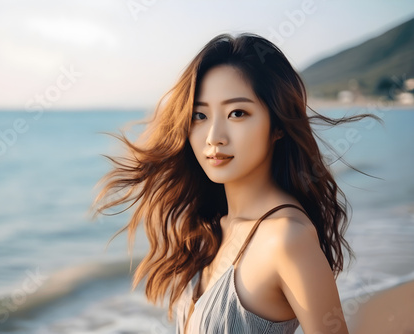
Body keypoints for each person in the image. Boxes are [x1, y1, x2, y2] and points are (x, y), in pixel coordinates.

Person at [93, 33, 375, 333]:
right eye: (199, 115)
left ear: (278, 125)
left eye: (237, 113)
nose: (214, 136)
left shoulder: (286, 238)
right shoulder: (214, 227)